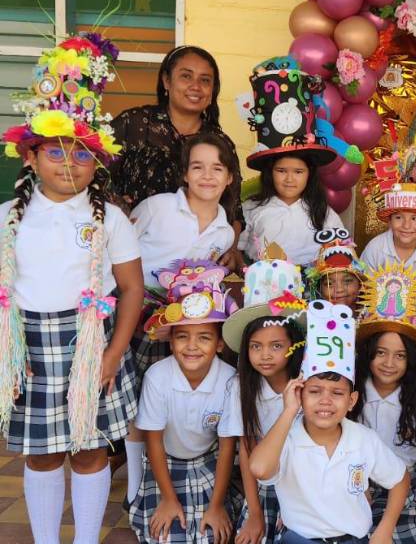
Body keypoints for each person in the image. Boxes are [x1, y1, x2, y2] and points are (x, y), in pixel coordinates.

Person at [0, 33, 144, 543]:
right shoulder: (8, 218)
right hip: (30, 348)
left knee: (89, 449)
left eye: (82, 154)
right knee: (42, 453)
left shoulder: (111, 219)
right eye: (55, 151)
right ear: (30, 157)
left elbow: (132, 289)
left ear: (96, 164)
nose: (68, 162)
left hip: (92, 345)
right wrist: (9, 354)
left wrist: (113, 353)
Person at [121, 132, 238, 504]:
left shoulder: (224, 229)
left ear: (229, 177)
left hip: (183, 327)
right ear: (185, 173)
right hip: (138, 317)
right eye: (197, 167)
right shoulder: (157, 207)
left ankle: (168, 473)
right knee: (137, 402)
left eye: (217, 168)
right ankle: (135, 486)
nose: (207, 176)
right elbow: (117, 247)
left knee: (163, 396)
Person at [249, 298, 410, 543]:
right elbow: (260, 469)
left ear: (352, 400)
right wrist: (289, 411)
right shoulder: (286, 438)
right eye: (314, 391)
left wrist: (385, 529)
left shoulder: (363, 439)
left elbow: (399, 479)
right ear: (299, 393)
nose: (325, 401)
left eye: (337, 393)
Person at [129, 260, 240, 543]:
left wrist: (216, 506)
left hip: (209, 461)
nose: (192, 346)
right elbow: (153, 442)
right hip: (163, 462)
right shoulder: (157, 377)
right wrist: (168, 499)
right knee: (164, 536)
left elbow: (227, 446)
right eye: (182, 337)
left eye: (204, 338)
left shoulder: (230, 381)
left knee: (211, 535)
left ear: (219, 344)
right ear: (171, 341)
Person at [109, 45, 244, 270]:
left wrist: (230, 248)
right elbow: (94, 173)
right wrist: (118, 207)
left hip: (192, 272)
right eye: (186, 76)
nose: (196, 86)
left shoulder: (218, 142)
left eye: (205, 80)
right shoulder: (134, 123)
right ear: (166, 81)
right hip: (132, 254)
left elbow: (234, 209)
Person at [219, 242, 307, 544]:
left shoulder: (307, 383)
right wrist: (255, 513)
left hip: (305, 483)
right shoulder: (240, 387)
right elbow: (246, 450)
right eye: (256, 346)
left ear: (294, 346)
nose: (265, 355)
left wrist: (298, 502)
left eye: (276, 346)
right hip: (262, 485)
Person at [352, 264, 416, 543]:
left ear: (410, 360)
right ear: (368, 354)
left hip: (411, 481)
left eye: (400, 356)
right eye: (381, 353)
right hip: (361, 480)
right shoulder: (352, 396)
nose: (389, 363)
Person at [238, 55, 346, 267]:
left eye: (298, 172)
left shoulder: (323, 213)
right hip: (264, 283)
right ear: (270, 172)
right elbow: (238, 252)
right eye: (281, 171)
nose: (289, 179)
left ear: (309, 174)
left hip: (312, 284)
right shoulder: (251, 209)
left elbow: (340, 253)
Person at [362, 183, 416, 339]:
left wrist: (408, 288)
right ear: (389, 221)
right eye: (398, 217)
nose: (406, 225)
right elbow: (362, 287)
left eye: (415, 218)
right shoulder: (376, 247)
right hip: (380, 305)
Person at [305, 227, 366, 313]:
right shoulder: (311, 318)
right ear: (319, 289)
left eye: (347, 281)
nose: (339, 289)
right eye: (329, 283)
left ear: (360, 284)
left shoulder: (374, 316)